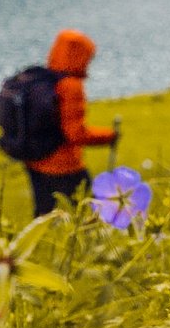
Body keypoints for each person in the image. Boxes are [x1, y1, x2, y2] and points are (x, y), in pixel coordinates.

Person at [26, 29, 118, 217]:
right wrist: (109, 136)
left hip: (34, 159)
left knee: (43, 213)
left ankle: (42, 245)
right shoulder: (70, 86)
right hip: (64, 164)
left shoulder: (41, 79)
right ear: (79, 56)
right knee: (88, 212)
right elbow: (75, 133)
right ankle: (91, 244)